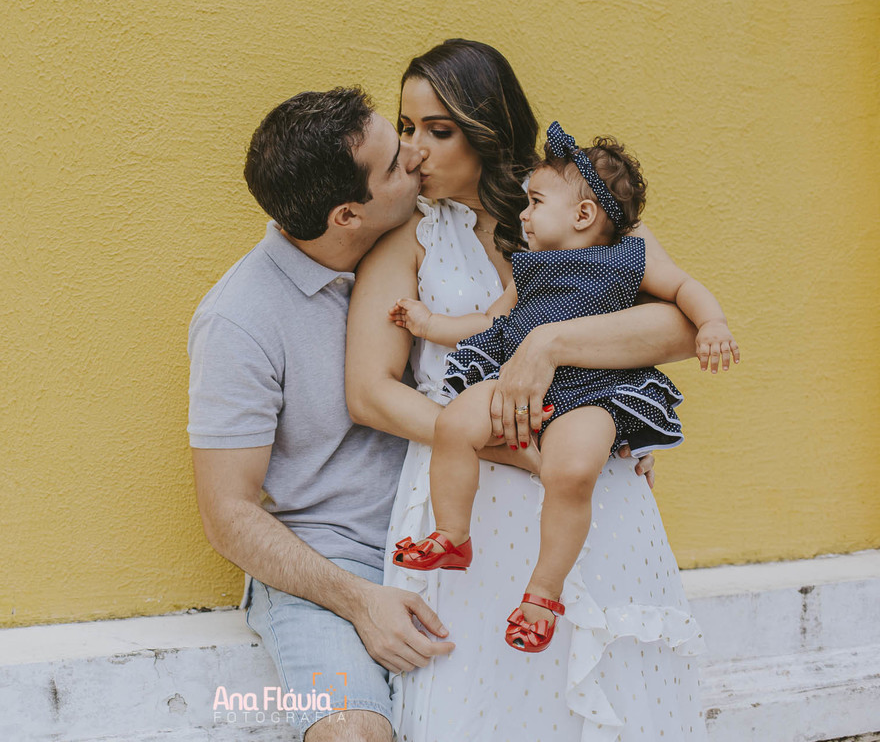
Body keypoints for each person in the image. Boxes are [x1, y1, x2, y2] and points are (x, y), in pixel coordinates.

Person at [346, 39, 709, 740]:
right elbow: (370, 392)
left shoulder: (588, 221)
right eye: (408, 127)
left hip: (581, 486)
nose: (413, 149)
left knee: (598, 686)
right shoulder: (407, 242)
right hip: (471, 491)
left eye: (438, 130)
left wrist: (550, 344)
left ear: (489, 129)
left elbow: (684, 327)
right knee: (488, 694)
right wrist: (505, 447)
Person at [389, 121, 739, 657]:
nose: (523, 214)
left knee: (572, 471)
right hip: (515, 382)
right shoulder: (528, 269)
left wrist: (712, 323)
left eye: (534, 202)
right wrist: (430, 323)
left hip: (597, 391)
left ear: (583, 214)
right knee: (452, 423)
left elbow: (684, 290)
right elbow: (488, 321)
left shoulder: (631, 256)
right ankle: (453, 534)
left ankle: (543, 594)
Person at [188, 86, 449, 742]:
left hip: (444, 541)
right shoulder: (239, 320)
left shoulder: (437, 242)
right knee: (352, 732)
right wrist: (360, 602)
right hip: (328, 565)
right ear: (345, 216)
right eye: (393, 166)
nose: (415, 159)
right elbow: (229, 515)